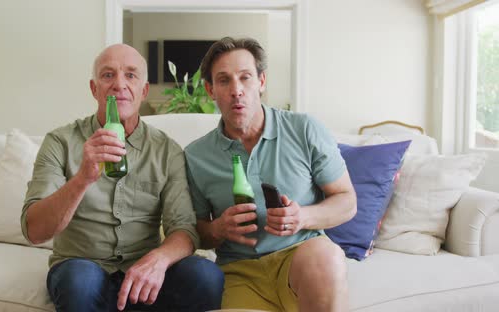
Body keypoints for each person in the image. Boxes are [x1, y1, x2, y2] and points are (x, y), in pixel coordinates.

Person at [21, 43, 224, 312]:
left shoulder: (167, 151)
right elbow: (34, 231)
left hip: (142, 276)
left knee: (205, 276)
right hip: (82, 268)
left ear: (144, 90)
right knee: (79, 281)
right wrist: (83, 178)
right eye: (108, 75)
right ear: (94, 89)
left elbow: (184, 230)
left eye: (130, 75)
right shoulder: (60, 142)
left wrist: (157, 261)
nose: (119, 84)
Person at [184, 37, 357, 312]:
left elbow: (347, 200)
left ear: (261, 82)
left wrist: (303, 217)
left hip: (301, 257)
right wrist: (218, 229)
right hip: (238, 272)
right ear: (210, 89)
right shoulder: (195, 156)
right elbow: (197, 231)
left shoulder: (304, 129)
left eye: (245, 78)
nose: (236, 90)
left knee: (326, 256)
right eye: (224, 80)